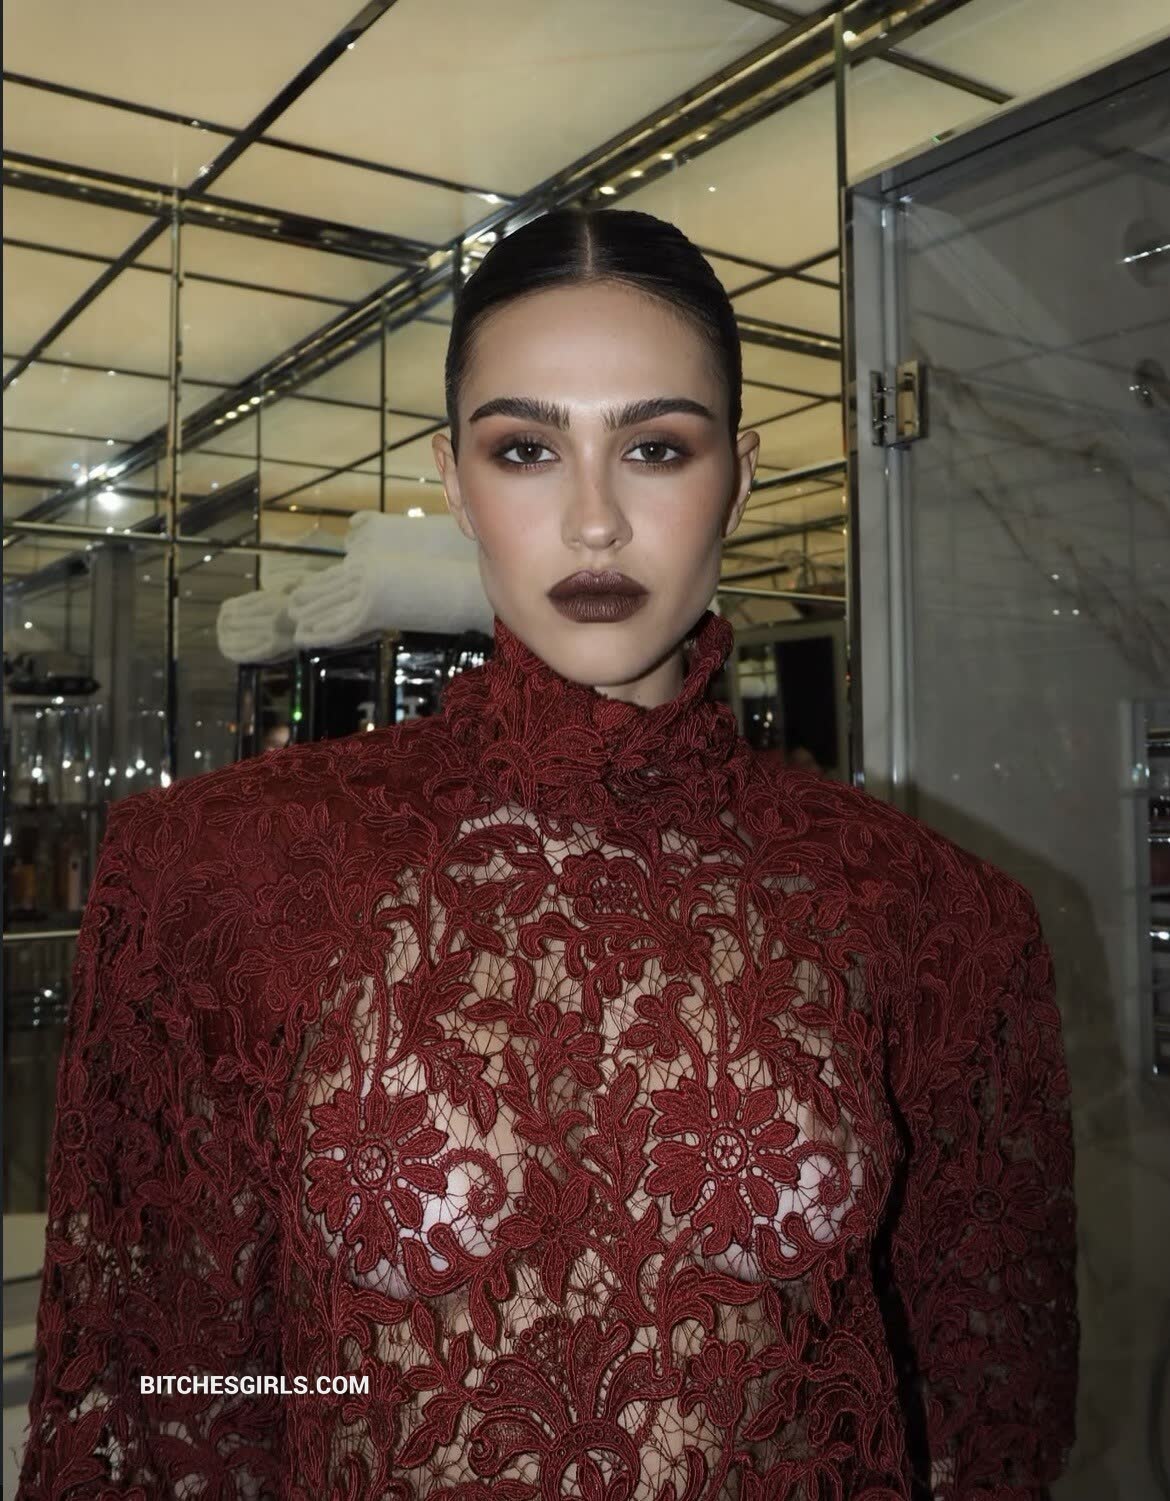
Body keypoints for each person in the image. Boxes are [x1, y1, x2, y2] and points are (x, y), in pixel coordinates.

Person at [19, 208, 1078, 1501]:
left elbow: (976, 1410)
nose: (593, 522)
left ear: (739, 476)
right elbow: (163, 1400)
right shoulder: (220, 869)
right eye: (526, 448)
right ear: (455, 478)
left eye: (654, 447)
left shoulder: (934, 914)